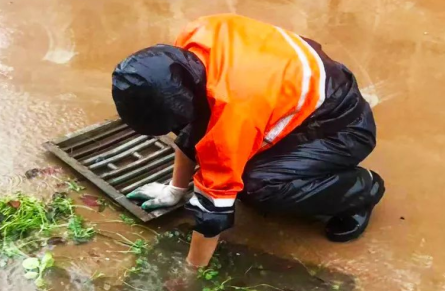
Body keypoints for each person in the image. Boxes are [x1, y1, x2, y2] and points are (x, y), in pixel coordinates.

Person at [112, 14, 384, 268]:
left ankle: (362, 190)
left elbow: (214, 206)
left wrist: (191, 272)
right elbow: (193, 130)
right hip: (303, 96)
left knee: (257, 187)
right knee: (201, 124)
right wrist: (175, 190)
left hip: (342, 129)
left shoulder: (236, 107)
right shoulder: (192, 40)